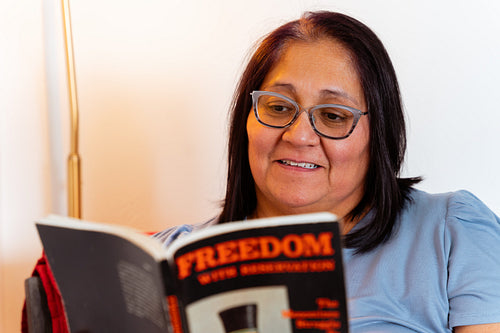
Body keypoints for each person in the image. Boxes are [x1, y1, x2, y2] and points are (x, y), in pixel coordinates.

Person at [153, 11, 500, 332]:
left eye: (333, 116)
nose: (299, 135)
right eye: (277, 107)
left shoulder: (452, 232)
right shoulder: (164, 256)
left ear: (378, 133)